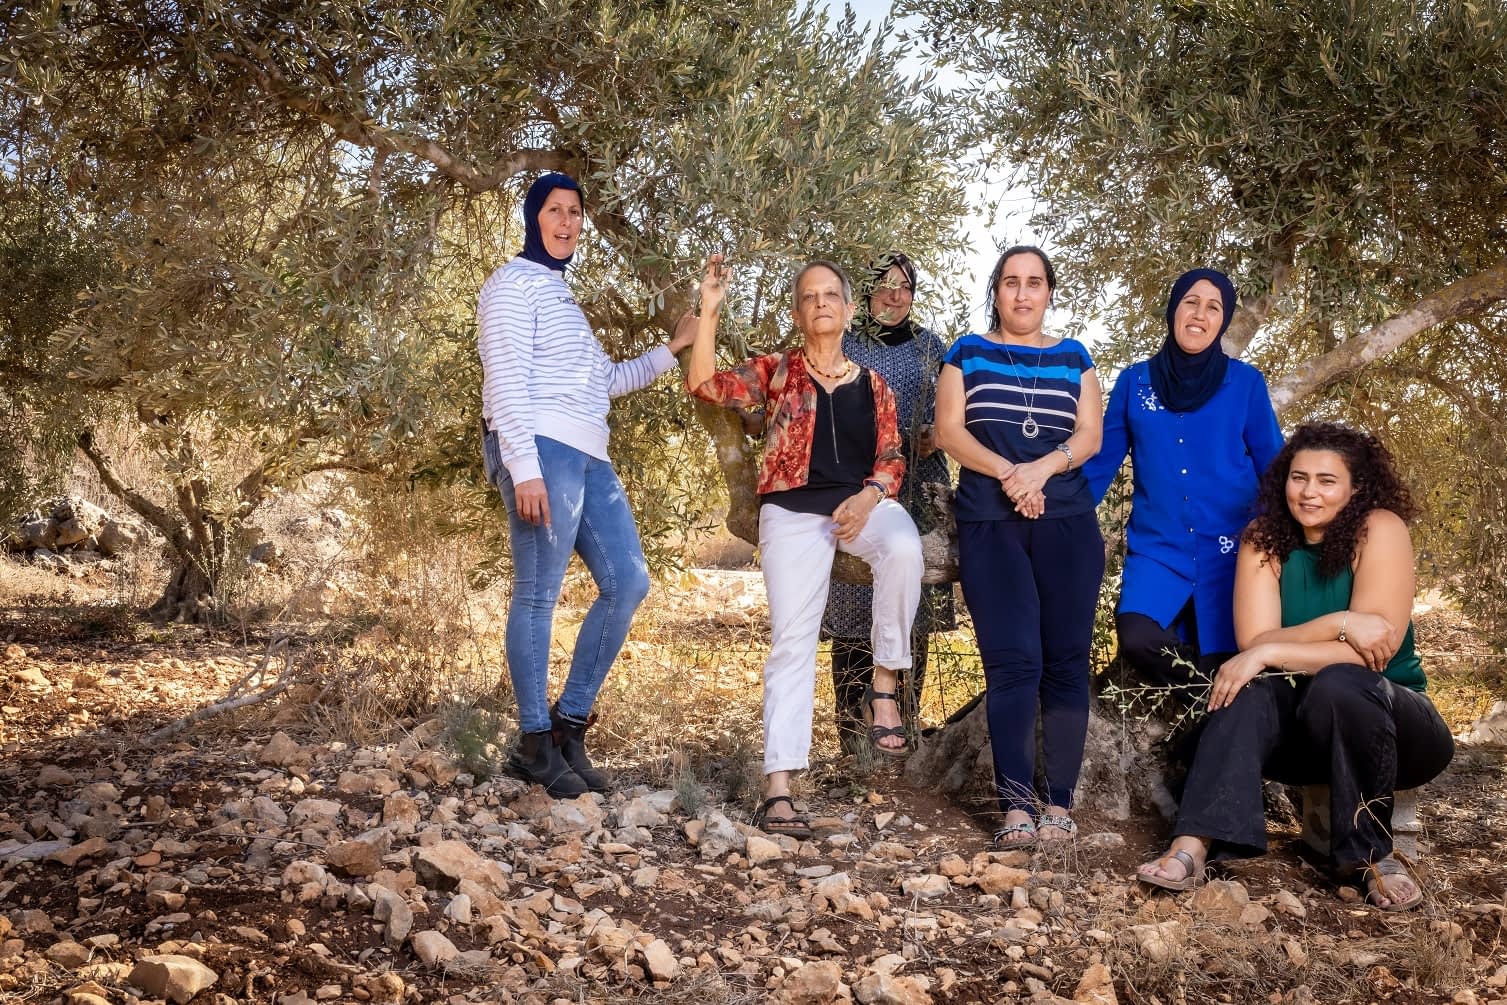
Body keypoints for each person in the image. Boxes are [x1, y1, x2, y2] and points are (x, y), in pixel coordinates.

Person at [1135, 423, 1454, 910]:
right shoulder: (1265, 538)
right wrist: (1340, 623)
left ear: (1357, 487)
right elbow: (1255, 642)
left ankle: (1372, 858)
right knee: (1247, 687)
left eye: (1327, 480)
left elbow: (1373, 652)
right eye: (1298, 477)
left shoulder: (1381, 529)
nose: (1309, 492)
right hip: (1304, 739)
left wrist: (1269, 650)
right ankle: (1193, 845)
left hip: (1396, 729)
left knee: (1343, 682)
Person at [686, 254, 924, 837]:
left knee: (904, 548)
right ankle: (780, 787)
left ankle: (885, 685)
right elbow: (703, 385)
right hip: (792, 512)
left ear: (846, 310)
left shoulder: (874, 385)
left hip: (860, 507)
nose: (820, 303)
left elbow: (893, 457)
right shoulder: (776, 371)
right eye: (809, 297)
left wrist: (869, 498)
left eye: (829, 296)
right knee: (793, 641)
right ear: (798, 313)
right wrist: (710, 310)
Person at [478, 172, 695, 798]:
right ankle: (533, 743)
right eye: (555, 210)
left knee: (628, 582)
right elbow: (504, 382)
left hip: (590, 454)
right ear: (532, 216)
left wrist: (671, 349)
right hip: (543, 449)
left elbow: (604, 383)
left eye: (575, 212)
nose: (567, 222)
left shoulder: (560, 295)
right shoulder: (513, 285)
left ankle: (570, 728)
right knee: (539, 593)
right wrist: (524, 466)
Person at [935, 245, 1104, 847]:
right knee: (1013, 664)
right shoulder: (966, 352)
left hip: (1069, 525)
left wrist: (1042, 471)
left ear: (1049, 292)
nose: (1023, 293)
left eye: (1034, 283)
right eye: (1011, 283)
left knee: (1064, 665)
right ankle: (1015, 809)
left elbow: (1089, 435)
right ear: (997, 292)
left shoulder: (1074, 357)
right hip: (990, 523)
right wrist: (1014, 474)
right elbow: (948, 431)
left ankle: (1058, 805)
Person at [1082, 269, 1284, 696]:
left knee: (1228, 649)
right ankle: (1211, 693)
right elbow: (1099, 467)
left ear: (1223, 320)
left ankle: (1213, 710)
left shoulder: (1245, 384)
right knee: (1137, 637)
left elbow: (1275, 469)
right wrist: (1046, 508)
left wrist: (1272, 536)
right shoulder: (1135, 384)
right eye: (1191, 301)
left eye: (1213, 307)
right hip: (1159, 552)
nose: (1200, 314)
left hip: (1234, 554)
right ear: (1174, 309)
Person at [821, 252, 954, 752]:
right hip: (860, 489)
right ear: (867, 291)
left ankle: (905, 721)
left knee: (908, 601)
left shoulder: (930, 347)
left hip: (919, 487)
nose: (895, 295)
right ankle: (853, 737)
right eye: (884, 284)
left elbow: (952, 410)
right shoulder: (847, 344)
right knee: (855, 598)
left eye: (904, 286)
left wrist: (935, 437)